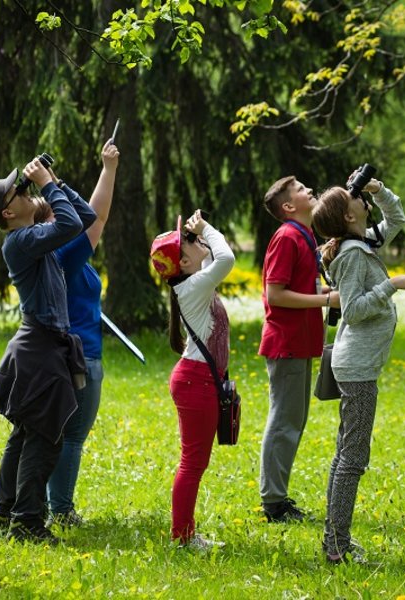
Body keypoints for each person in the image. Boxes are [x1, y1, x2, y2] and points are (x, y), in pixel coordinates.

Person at [0, 156, 98, 545]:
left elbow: (86, 217)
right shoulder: (21, 242)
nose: (29, 192)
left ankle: (5, 514)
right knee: (45, 438)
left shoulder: (32, 237)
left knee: (25, 435)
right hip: (39, 351)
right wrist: (47, 184)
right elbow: (70, 224)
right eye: (22, 190)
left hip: (40, 348)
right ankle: (27, 522)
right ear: (9, 211)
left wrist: (56, 182)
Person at [311, 176, 405, 564]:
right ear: (348, 215)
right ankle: (337, 548)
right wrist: (391, 285)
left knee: (345, 455)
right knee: (352, 459)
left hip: (356, 365)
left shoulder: (362, 241)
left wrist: (377, 190)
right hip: (357, 369)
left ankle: (334, 541)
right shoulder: (354, 254)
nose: (361, 199)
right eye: (356, 198)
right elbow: (355, 309)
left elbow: (397, 218)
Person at [38, 141, 119, 528]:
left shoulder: (59, 253)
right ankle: (62, 511)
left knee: (63, 435)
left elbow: (92, 215)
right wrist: (108, 169)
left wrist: (107, 167)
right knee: (71, 437)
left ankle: (52, 506)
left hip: (73, 352)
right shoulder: (64, 253)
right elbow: (96, 216)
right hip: (80, 356)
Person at [149, 210, 235, 550]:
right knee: (193, 462)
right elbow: (225, 257)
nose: (195, 238)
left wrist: (200, 235)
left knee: (196, 461)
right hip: (195, 381)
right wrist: (205, 228)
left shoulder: (194, 281)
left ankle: (185, 533)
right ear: (183, 261)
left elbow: (218, 254)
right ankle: (182, 537)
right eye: (187, 240)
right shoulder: (194, 285)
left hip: (201, 380)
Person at [258, 177, 340, 523]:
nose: (310, 191)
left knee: (294, 419)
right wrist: (326, 298)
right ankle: (274, 504)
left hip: (301, 344)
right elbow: (274, 294)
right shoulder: (288, 236)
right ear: (289, 207)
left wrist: (323, 287)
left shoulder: (305, 236)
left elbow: (300, 283)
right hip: (286, 343)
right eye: (303, 190)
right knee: (284, 421)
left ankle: (277, 498)